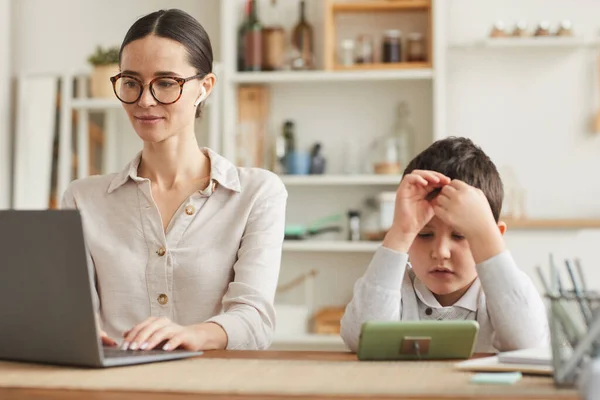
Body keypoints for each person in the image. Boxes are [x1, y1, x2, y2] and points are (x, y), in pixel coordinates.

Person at [61, 9, 287, 352]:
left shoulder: (257, 193)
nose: (145, 100)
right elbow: (75, 313)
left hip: (214, 386)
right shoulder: (82, 199)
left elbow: (255, 322)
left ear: (204, 87)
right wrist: (81, 329)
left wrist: (193, 335)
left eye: (166, 82)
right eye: (131, 82)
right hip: (113, 385)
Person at [340, 137, 548, 353]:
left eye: (459, 235)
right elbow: (359, 339)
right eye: (424, 234)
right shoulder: (394, 289)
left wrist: (486, 236)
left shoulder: (502, 292)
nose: (441, 252)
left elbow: (529, 345)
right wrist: (400, 232)